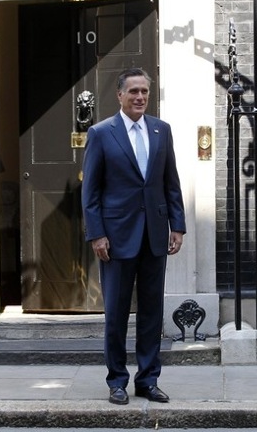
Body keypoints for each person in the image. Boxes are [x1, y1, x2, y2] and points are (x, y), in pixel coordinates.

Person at [81, 67, 186, 405]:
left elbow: (171, 182)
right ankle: (117, 381)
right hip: (116, 238)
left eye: (144, 92)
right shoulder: (101, 133)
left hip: (155, 235)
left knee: (152, 312)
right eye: (133, 92)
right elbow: (91, 192)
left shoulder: (161, 130)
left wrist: (178, 225)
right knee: (116, 313)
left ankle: (148, 379)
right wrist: (97, 234)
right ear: (120, 95)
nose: (140, 97)